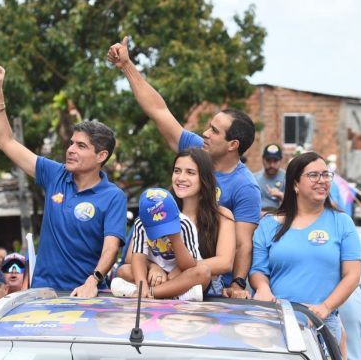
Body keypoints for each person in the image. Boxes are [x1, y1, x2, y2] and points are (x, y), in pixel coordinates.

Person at [107, 38, 260, 297]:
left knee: (195, 274)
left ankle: (155, 294)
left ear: (233, 144)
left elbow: (242, 246)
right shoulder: (196, 150)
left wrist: (236, 284)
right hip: (153, 269)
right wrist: (127, 66)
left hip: (200, 281)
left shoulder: (245, 187)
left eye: (214, 130)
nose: (205, 133)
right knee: (125, 271)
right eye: (179, 170)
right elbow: (158, 110)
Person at [0, 65, 127, 297]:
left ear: (101, 156)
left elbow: (111, 248)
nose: (70, 150)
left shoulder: (113, 196)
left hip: (84, 296)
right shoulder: (55, 174)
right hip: (43, 294)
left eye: (81, 146)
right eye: (72, 143)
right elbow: (5, 142)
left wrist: (93, 281)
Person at [250, 152, 361, 341]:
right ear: (295, 184)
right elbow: (257, 270)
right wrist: (262, 288)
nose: (322, 181)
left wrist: (326, 307)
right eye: (313, 175)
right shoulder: (269, 224)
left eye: (326, 175)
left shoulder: (342, 222)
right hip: (277, 321)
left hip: (322, 323)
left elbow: (352, 275)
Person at [111, 188, 210, 300]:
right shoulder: (140, 224)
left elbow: (189, 266)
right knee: (123, 271)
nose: (163, 233)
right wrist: (142, 282)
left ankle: (147, 293)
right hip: (152, 275)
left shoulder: (185, 224)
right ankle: (176, 295)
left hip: (177, 274)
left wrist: (176, 239)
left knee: (203, 272)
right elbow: (138, 258)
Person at [169, 149, 244, 298]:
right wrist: (153, 267)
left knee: (200, 272)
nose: (181, 178)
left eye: (190, 172)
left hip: (206, 295)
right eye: (177, 171)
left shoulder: (222, 215)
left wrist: (183, 269)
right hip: (162, 283)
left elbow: (225, 262)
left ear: (204, 178)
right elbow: (135, 254)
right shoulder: (160, 209)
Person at [254, 144, 286, 214]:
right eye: (268, 160)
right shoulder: (254, 178)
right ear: (263, 159)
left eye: (275, 161)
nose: (272, 165)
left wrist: (281, 195)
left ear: (281, 160)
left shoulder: (287, 178)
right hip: (257, 217)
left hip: (279, 216)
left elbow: (295, 204)